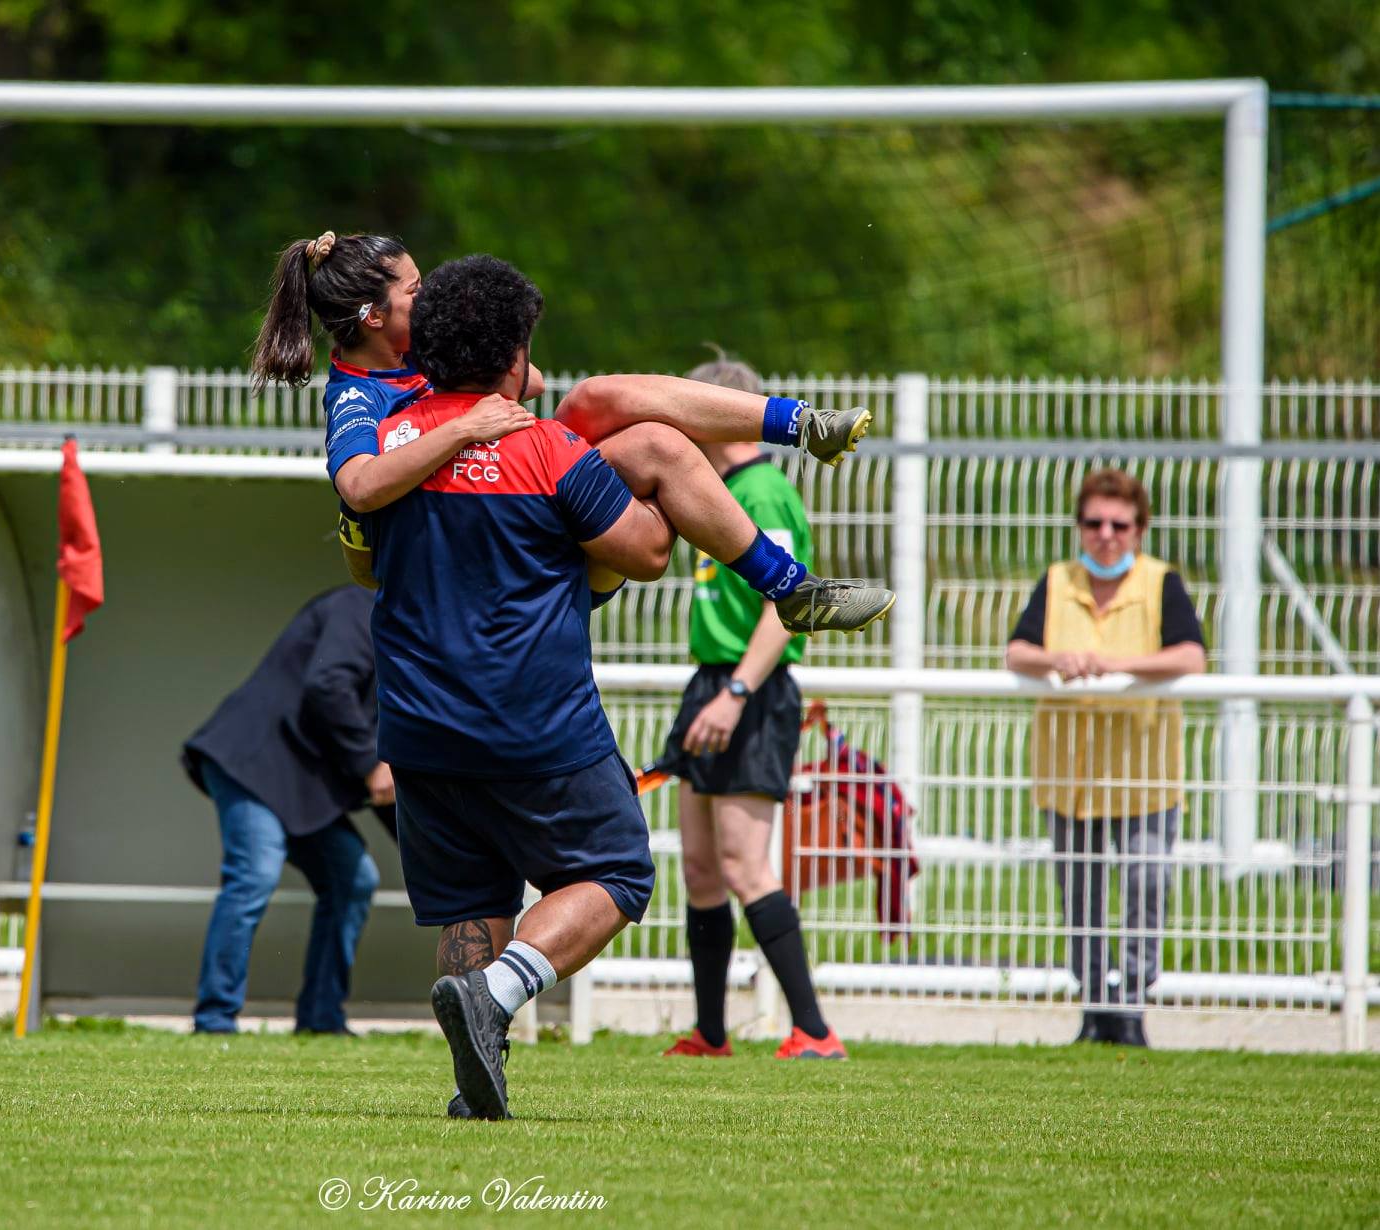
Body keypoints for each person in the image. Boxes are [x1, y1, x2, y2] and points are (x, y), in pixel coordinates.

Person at [343, 253, 682, 1120]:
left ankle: (475, 1084)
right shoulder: (548, 448)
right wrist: (657, 493)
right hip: (534, 725)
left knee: (471, 902)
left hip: (420, 730)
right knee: (617, 870)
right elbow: (646, 553)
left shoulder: (390, 442)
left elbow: (363, 559)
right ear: (513, 357)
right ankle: (499, 993)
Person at [251, 230, 894, 635]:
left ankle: (798, 482)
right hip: (479, 552)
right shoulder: (356, 396)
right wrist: (464, 426)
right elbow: (360, 488)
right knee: (634, 453)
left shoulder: (417, 350)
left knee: (639, 431)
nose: (431, 298)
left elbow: (526, 382)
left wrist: (475, 345)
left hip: (516, 509)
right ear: (372, 317)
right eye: (418, 291)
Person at [650, 353, 846, 1061]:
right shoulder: (718, 488)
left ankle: (815, 1031)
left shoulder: (761, 491)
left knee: (744, 864)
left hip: (750, 690)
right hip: (712, 684)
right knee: (702, 869)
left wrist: (736, 693)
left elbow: (787, 607)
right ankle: (711, 1033)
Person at [1005, 468, 1206, 1048]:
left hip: (1145, 774)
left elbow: (1190, 656)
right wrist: (1059, 660)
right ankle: (1094, 1009)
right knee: (1081, 896)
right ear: (1079, 527)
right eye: (1094, 523)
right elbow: (1017, 652)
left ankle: (1132, 1007)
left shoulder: (1161, 582)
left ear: (1140, 529)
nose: (1106, 535)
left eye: (1119, 524)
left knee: (1146, 888)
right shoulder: (1057, 580)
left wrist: (1114, 666)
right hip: (1069, 773)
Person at [180, 585, 390, 1035]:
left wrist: (434, 855)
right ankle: (214, 1020)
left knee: (354, 880)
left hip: (301, 785)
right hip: (253, 760)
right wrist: (368, 764)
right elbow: (328, 684)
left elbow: (388, 783)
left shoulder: (416, 644)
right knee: (254, 873)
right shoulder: (360, 605)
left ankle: (321, 1020)